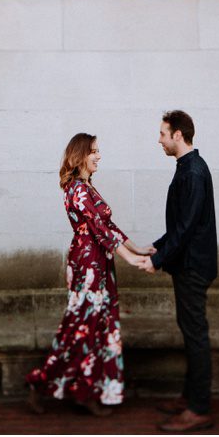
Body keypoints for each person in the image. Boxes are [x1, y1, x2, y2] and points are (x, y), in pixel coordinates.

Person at [25, 133, 155, 416]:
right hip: (88, 266)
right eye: (93, 151)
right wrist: (131, 258)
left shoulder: (87, 187)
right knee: (81, 328)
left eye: (98, 151)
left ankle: (85, 391)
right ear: (79, 155)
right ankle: (42, 384)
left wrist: (139, 248)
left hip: (98, 264)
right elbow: (100, 230)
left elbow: (109, 226)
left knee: (97, 328)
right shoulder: (79, 190)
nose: (98, 156)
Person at [143, 109, 218, 433]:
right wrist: (158, 246)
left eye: (162, 133)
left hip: (192, 267)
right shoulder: (188, 168)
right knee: (190, 331)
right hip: (188, 263)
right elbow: (181, 225)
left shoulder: (193, 172)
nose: (158, 139)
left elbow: (186, 228)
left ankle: (198, 408)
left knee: (195, 335)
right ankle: (190, 398)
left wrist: (157, 260)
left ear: (178, 135)